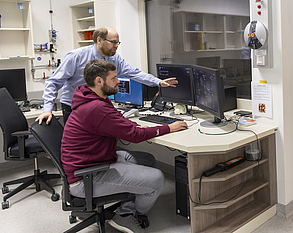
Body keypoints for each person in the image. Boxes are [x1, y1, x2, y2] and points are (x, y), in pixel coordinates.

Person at [61, 59, 187, 232]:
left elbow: (117, 121)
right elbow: (134, 137)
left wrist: (133, 125)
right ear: (99, 81)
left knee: (146, 159)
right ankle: (126, 216)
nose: (118, 81)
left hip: (93, 161)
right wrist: (168, 128)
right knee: (157, 178)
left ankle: (126, 206)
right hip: (85, 178)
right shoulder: (96, 108)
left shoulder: (90, 96)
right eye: (114, 78)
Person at [37, 26, 177, 124]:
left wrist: (158, 82)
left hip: (99, 105)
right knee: (81, 144)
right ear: (99, 40)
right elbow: (53, 82)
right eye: (113, 42)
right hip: (75, 107)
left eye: (118, 42)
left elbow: (133, 72)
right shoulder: (77, 56)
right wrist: (47, 109)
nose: (116, 46)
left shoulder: (114, 58)